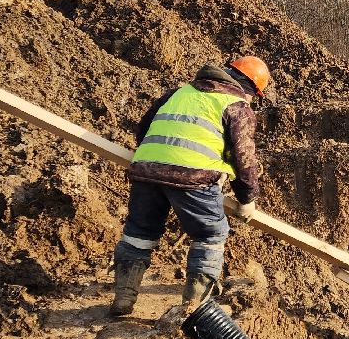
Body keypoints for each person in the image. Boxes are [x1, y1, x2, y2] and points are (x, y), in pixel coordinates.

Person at [109, 56, 271, 316]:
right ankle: (194, 307)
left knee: (139, 232)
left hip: (147, 169)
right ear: (250, 88)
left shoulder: (178, 92)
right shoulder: (236, 105)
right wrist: (247, 197)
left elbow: (143, 131)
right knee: (211, 235)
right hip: (193, 177)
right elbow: (244, 156)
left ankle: (123, 299)